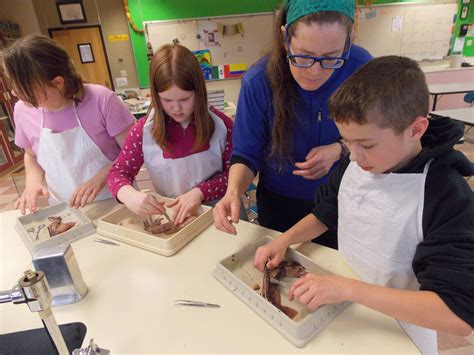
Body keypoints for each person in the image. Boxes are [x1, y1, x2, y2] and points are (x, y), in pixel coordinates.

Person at [254, 56, 474, 354]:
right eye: (347, 141)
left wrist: (348, 289)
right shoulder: (356, 163)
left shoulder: (446, 195)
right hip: (343, 309)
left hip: (398, 330)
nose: (354, 156)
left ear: (415, 129)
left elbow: (458, 314)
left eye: (366, 145)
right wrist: (285, 239)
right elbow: (326, 211)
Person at [213, 0, 372, 248]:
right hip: (279, 203)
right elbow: (246, 154)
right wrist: (233, 192)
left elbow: (375, 135)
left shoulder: (361, 68)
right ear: (285, 37)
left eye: (331, 58)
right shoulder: (258, 81)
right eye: (304, 56)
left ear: (348, 43)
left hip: (344, 199)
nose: (315, 72)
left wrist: (339, 149)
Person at [3, 34, 135, 214]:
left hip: (115, 200)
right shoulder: (23, 109)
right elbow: (31, 155)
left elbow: (132, 151)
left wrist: (101, 178)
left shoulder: (101, 99)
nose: (16, 92)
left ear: (58, 82)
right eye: (15, 85)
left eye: (27, 89)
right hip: (64, 208)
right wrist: (32, 184)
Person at [107, 44, 233, 225]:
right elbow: (118, 173)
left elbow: (237, 174)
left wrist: (201, 192)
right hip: (174, 219)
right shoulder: (144, 131)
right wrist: (129, 195)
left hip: (219, 216)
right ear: (156, 97)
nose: (176, 108)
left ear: (199, 92)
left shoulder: (222, 125)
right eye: (167, 100)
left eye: (184, 99)